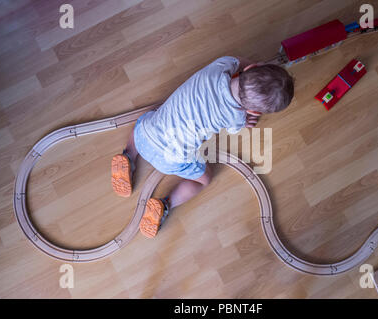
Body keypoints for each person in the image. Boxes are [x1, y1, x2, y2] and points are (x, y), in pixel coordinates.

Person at [111, 56, 294, 238]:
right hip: (170, 161)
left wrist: (250, 68)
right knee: (204, 179)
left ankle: (129, 154)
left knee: (145, 120)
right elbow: (236, 127)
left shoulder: (221, 67)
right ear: (253, 111)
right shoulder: (235, 118)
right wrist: (247, 121)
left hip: (147, 134)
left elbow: (238, 60)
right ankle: (166, 203)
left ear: (250, 67)